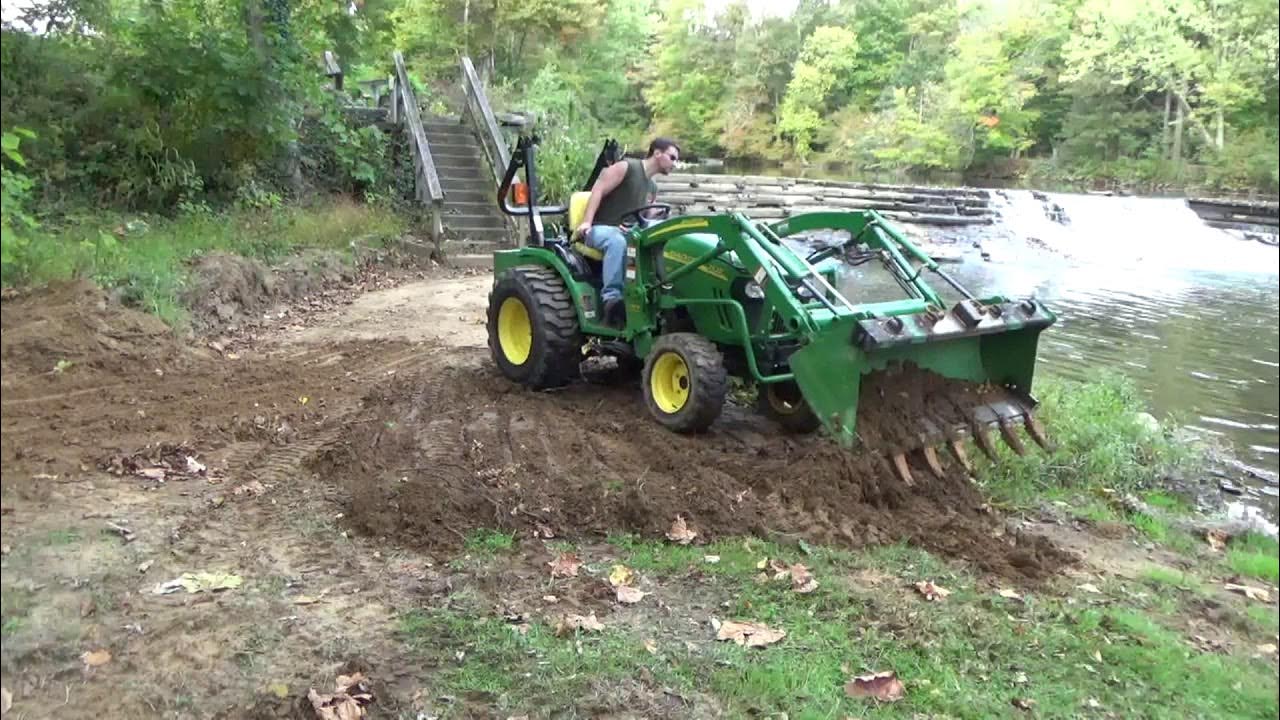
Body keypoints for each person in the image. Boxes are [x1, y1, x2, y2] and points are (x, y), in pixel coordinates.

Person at [574, 138, 680, 323]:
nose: (675, 164)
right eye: (672, 157)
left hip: (628, 232)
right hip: (601, 228)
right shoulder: (627, 167)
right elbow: (598, 189)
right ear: (657, 153)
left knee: (659, 241)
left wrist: (659, 215)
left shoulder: (652, 187)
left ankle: (660, 293)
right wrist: (586, 222)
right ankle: (611, 300)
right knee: (617, 241)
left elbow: (646, 215)